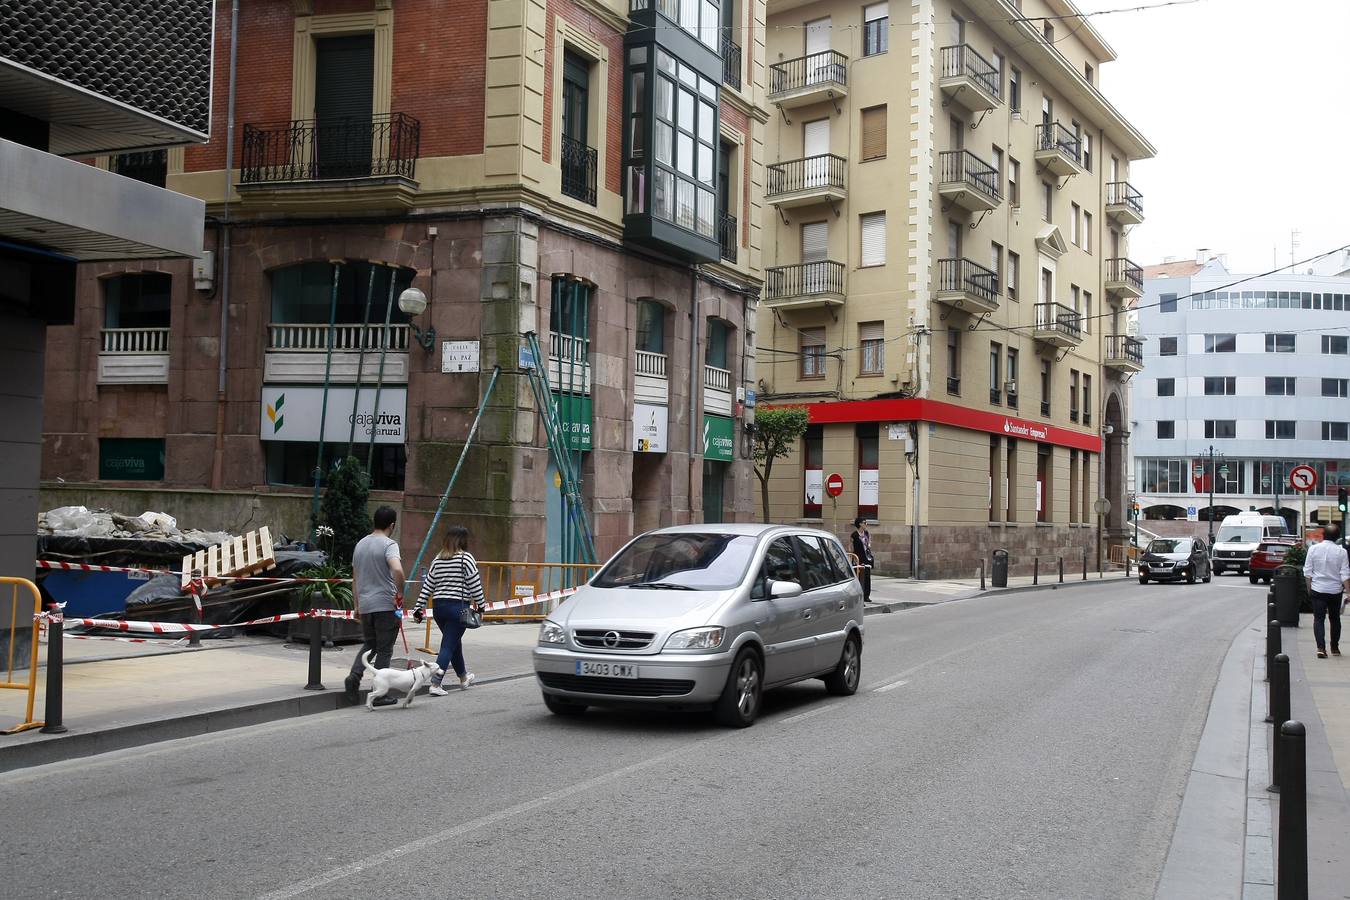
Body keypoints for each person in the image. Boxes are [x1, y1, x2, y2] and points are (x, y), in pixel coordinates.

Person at [413, 525, 486, 694]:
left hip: (439, 608)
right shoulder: (466, 559)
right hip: (457, 608)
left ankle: (463, 677)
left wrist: (418, 607)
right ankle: (435, 683)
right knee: (447, 646)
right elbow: (475, 584)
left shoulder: (437, 560)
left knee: (453, 642)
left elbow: (428, 586)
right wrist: (481, 605)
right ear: (463, 541)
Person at [344, 506, 406, 705]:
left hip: (366, 604)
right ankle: (379, 692)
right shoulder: (390, 544)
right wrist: (400, 592)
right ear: (392, 525)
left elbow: (355, 578)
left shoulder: (360, 544)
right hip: (385, 605)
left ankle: (354, 676)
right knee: (385, 649)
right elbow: (397, 569)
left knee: (370, 644)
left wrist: (357, 605)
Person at [1304, 522, 1350, 659]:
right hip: (1335, 591)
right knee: (1335, 619)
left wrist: (1309, 589)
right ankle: (1335, 648)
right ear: (1337, 537)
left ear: (1323, 535)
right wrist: (1348, 592)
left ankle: (1321, 648)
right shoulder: (1342, 552)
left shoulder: (1313, 549)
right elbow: (1345, 574)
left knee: (1318, 619)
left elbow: (1307, 572)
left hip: (1318, 589)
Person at [850, 516, 874, 603]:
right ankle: (860, 596)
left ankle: (866, 596)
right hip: (858, 557)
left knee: (867, 577)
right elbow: (851, 547)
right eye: (864, 522)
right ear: (860, 524)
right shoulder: (854, 535)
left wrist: (869, 545)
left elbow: (869, 543)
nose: (866, 524)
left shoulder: (866, 533)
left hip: (866, 557)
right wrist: (853, 558)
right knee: (859, 577)